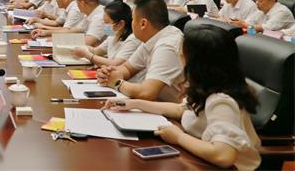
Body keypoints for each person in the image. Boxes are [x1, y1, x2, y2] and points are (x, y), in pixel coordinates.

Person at [103, 26, 260, 170]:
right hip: (195, 160)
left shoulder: (222, 101)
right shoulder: (208, 86)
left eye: (183, 55)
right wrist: (134, 104)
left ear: (197, 63)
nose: (180, 57)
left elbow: (223, 156)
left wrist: (178, 137)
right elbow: (182, 109)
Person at [97, 0, 184, 102]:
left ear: (143, 23)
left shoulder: (167, 46)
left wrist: (116, 83)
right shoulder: (153, 37)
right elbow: (127, 68)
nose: (131, 23)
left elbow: (146, 93)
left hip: (170, 109)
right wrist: (107, 75)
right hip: (154, 105)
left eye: (133, 19)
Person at [72, 0, 141, 66]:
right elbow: (96, 51)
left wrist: (87, 54)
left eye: (107, 22)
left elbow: (115, 64)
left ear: (121, 24)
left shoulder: (132, 40)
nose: (105, 25)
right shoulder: (113, 34)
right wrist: (80, 48)